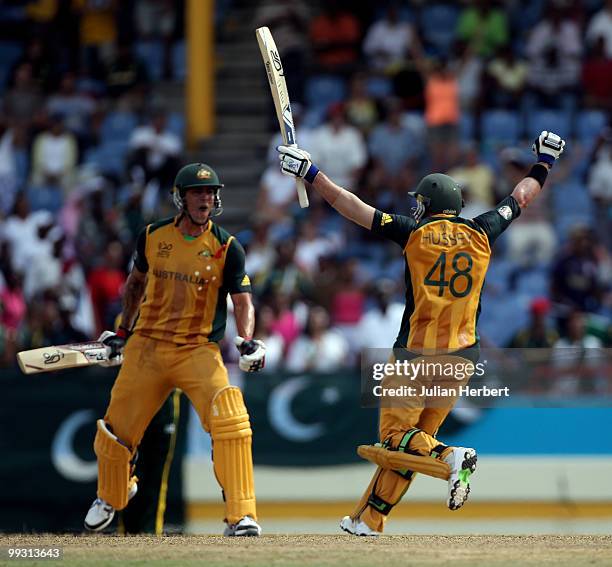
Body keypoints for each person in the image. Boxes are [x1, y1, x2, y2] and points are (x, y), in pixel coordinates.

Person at [277, 130, 565, 535]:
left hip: (415, 355)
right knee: (412, 444)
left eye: (420, 202)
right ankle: (369, 519)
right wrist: (544, 163)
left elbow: (353, 207)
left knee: (396, 438)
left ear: (427, 205)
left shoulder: (413, 231)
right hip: (463, 357)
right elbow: (521, 197)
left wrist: (312, 174)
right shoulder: (483, 230)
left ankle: (451, 456)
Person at [83, 163, 267, 536]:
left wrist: (247, 339)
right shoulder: (152, 236)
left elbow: (243, 300)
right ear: (180, 198)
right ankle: (111, 494)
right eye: (198, 192)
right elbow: (134, 287)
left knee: (231, 420)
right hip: (147, 345)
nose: (207, 198)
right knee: (117, 430)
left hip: (197, 349)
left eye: (211, 192)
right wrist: (121, 331)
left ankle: (241, 515)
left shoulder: (227, 246)